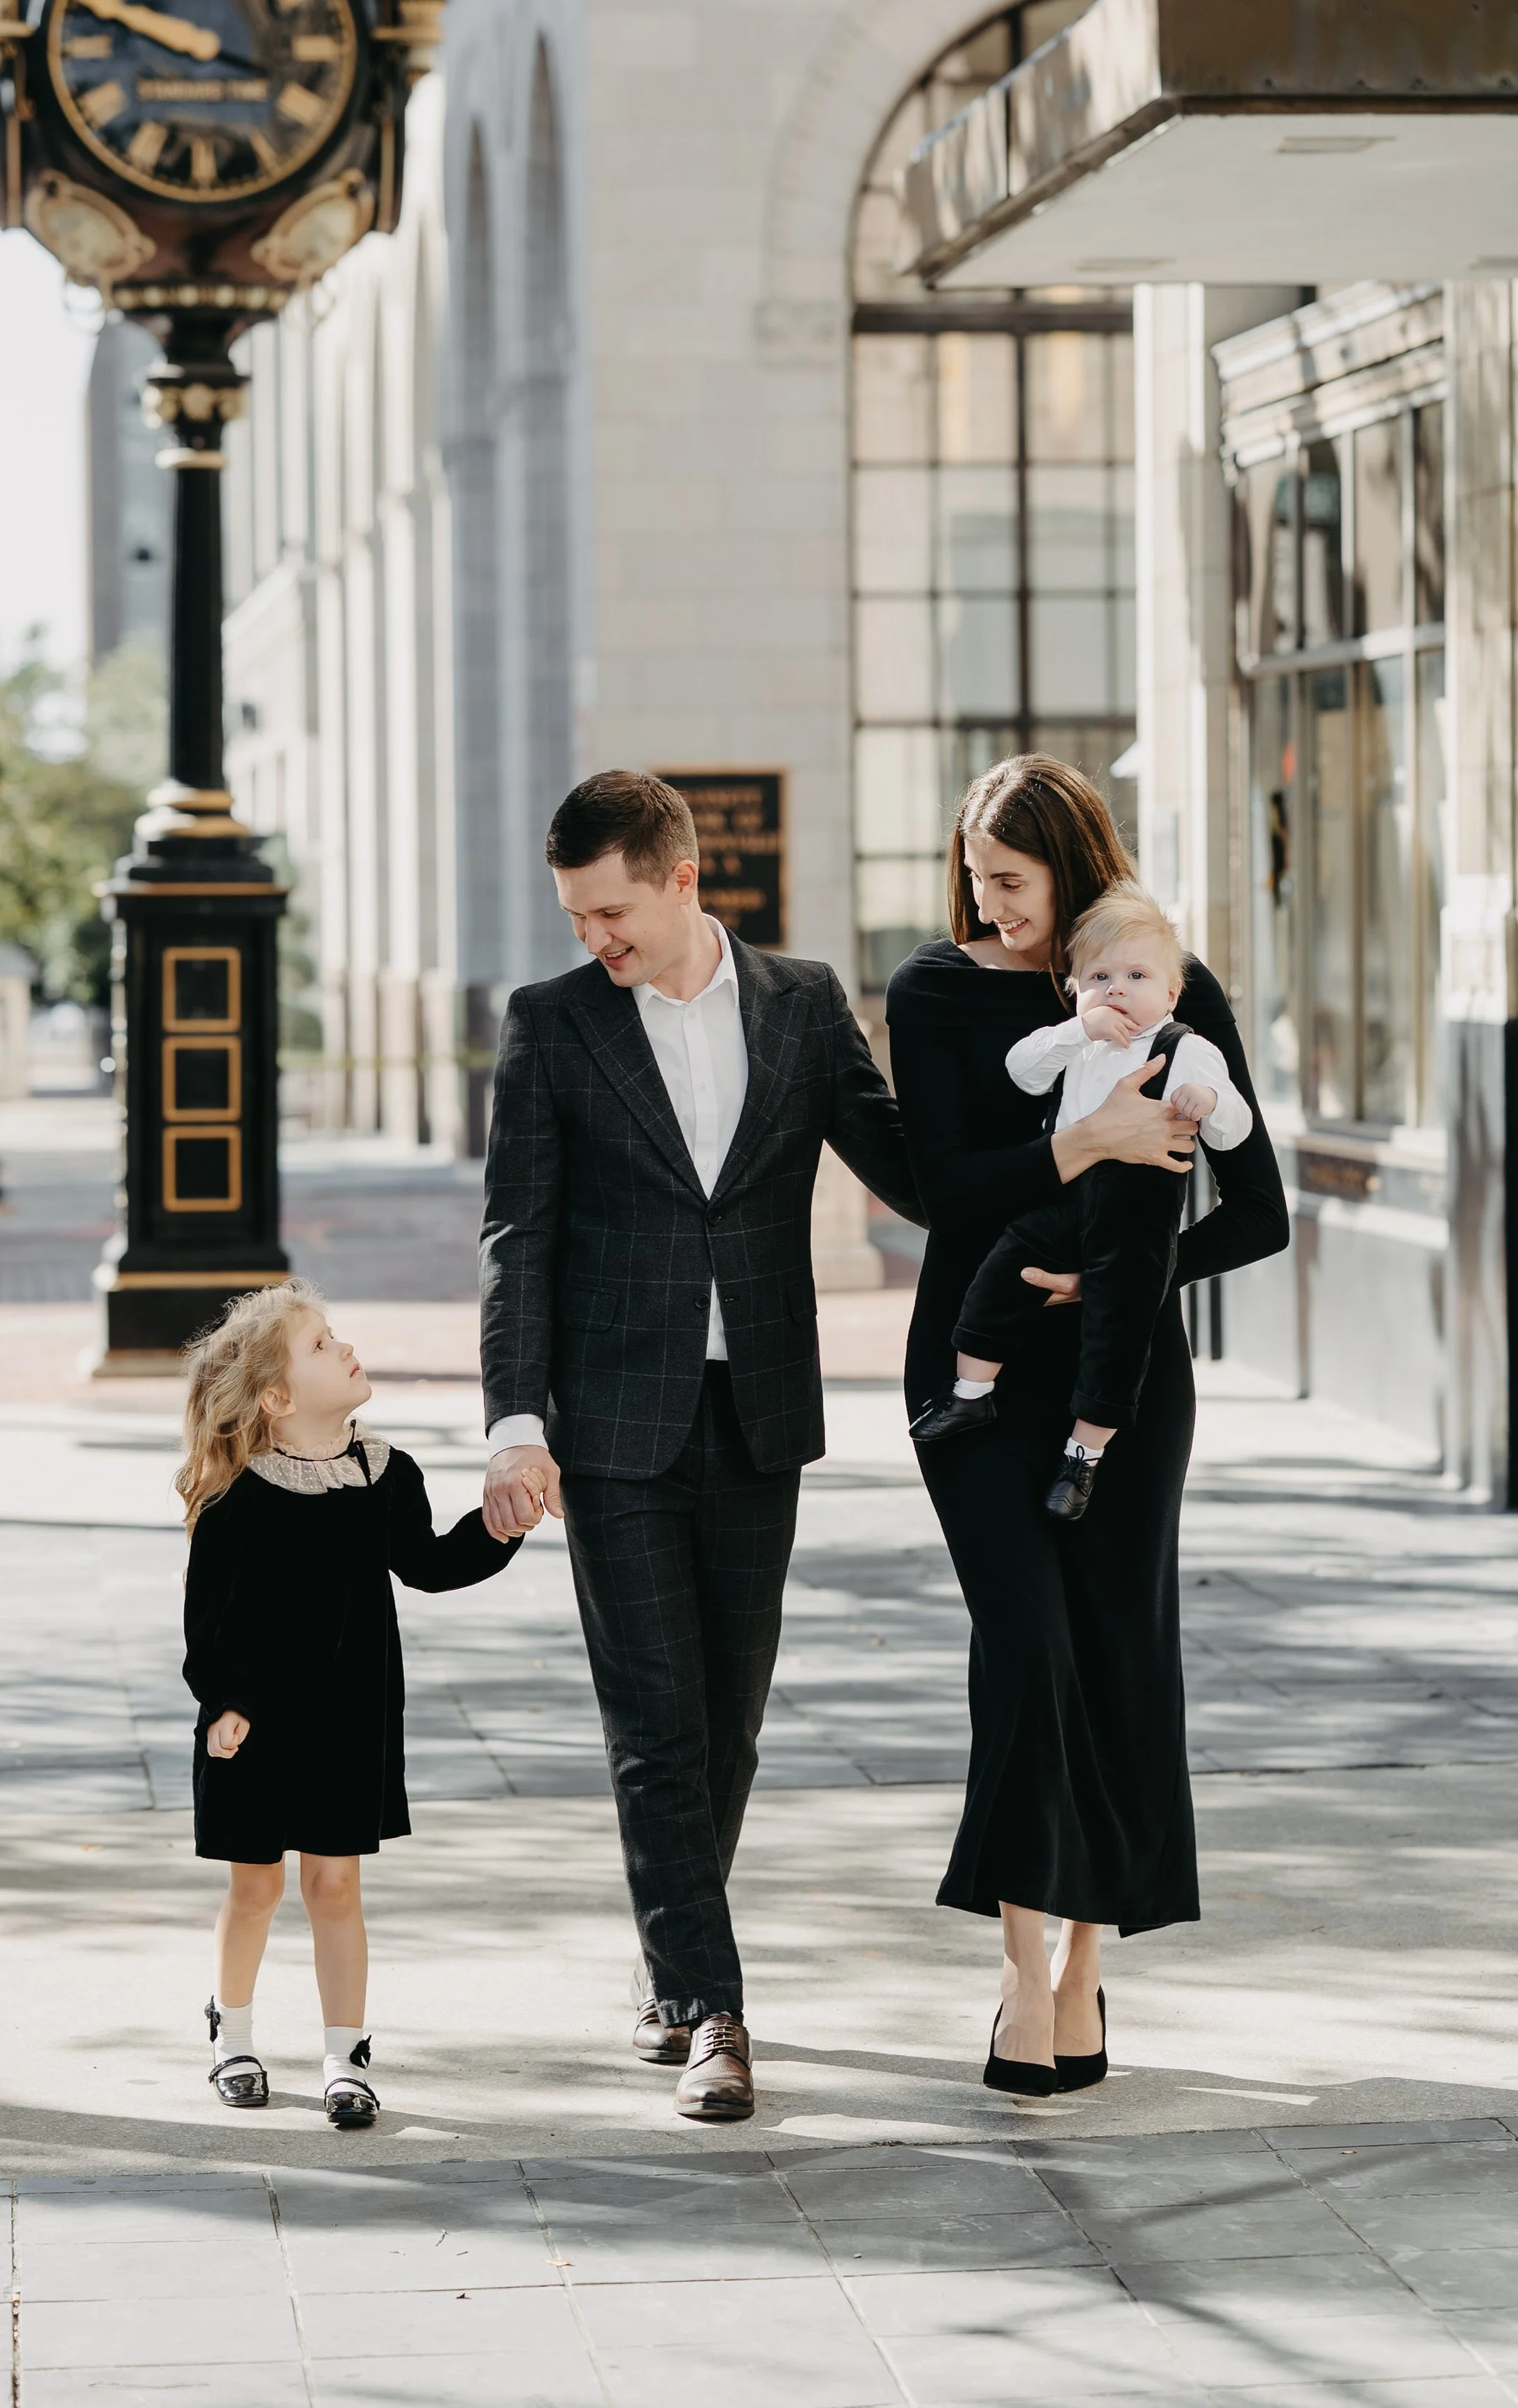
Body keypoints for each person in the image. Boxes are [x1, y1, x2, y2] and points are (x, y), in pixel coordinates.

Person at [479, 770, 924, 2124]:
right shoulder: (552, 1025)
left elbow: (906, 1167)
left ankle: (671, 1958)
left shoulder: (801, 1002)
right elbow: (520, 1234)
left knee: (726, 1714)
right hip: (611, 1424)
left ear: (679, 878)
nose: (591, 938)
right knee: (653, 1723)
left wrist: (1069, 1153)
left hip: (759, 1414)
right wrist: (514, 1422)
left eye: (608, 909)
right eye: (573, 914)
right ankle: (716, 2008)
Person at [887, 755, 1288, 2099]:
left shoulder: (1171, 978)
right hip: (975, 1373)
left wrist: (1130, 1274)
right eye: (978, 877)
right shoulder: (938, 992)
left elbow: (1257, 1206)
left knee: (1117, 1653)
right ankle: (1017, 1965)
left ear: (1074, 867)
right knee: (1027, 1648)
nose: (993, 903)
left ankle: (1081, 1967)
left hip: (1124, 1382)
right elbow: (945, 1188)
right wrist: (1091, 1140)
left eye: (1016, 880)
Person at [180, 1279, 528, 2129]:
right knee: (256, 1887)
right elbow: (206, 1616)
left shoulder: (386, 1474)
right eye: (320, 1344)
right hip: (253, 1725)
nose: (344, 1348)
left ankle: (346, 2056)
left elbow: (431, 1564)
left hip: (348, 1718)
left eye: (335, 1336)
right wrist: (222, 1700)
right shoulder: (239, 1494)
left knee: (335, 1886)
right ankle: (235, 2035)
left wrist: (498, 1529)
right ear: (278, 1395)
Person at [912, 884, 1252, 1520]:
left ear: (1172, 993)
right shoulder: (1078, 1044)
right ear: (1074, 986)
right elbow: (1023, 1069)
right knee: (1003, 1270)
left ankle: (1084, 1456)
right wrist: (1076, 1028)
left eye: (1137, 975)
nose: (1117, 988)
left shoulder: (1187, 1049)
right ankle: (970, 1389)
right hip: (1067, 1194)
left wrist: (1209, 1104)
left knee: (1118, 1334)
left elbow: (1236, 1128)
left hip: (1137, 1212)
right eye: (1099, 976)